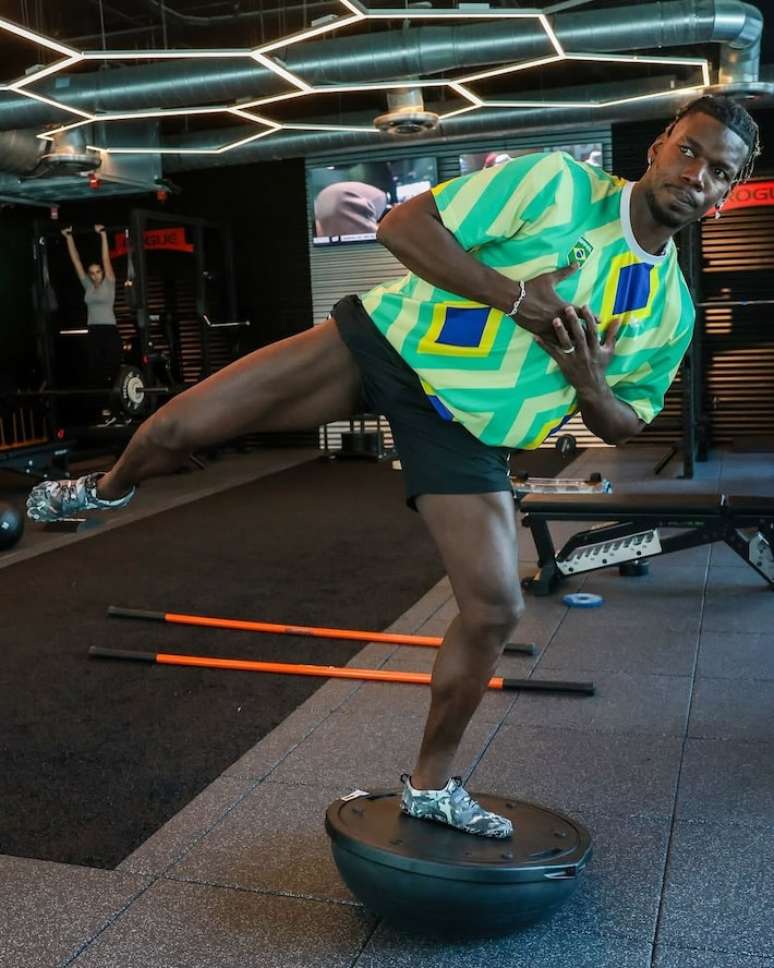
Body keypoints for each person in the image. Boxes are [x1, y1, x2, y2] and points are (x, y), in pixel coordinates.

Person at [28, 95, 760, 840]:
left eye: (720, 172)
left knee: (496, 606)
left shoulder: (668, 308)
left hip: (465, 430)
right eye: (691, 151)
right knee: (178, 425)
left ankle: (430, 787)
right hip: (385, 342)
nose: (698, 176)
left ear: (729, 195)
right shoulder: (559, 184)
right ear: (660, 147)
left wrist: (587, 382)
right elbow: (402, 225)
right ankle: (105, 489)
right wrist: (517, 302)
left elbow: (626, 418)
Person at [62, 224, 123, 409]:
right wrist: (68, 238)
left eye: (98, 272)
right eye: (92, 272)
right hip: (94, 330)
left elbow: (106, 258)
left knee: (111, 368)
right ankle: (99, 406)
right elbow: (77, 262)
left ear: (102, 273)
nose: (95, 275)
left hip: (109, 329)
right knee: (94, 369)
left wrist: (103, 235)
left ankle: (115, 404)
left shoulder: (109, 283)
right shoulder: (88, 286)